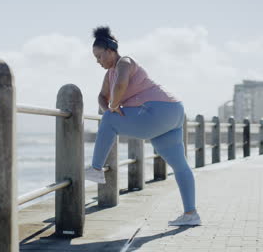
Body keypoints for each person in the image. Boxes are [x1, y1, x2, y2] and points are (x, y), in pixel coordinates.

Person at [85, 26, 201, 226]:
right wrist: (109, 107)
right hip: (173, 111)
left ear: (110, 50)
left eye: (100, 56)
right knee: (179, 165)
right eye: (95, 58)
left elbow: (120, 86)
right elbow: (101, 96)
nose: (98, 62)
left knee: (109, 122)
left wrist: (112, 108)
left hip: (157, 111)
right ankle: (191, 214)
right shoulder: (108, 74)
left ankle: (96, 168)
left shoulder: (124, 62)